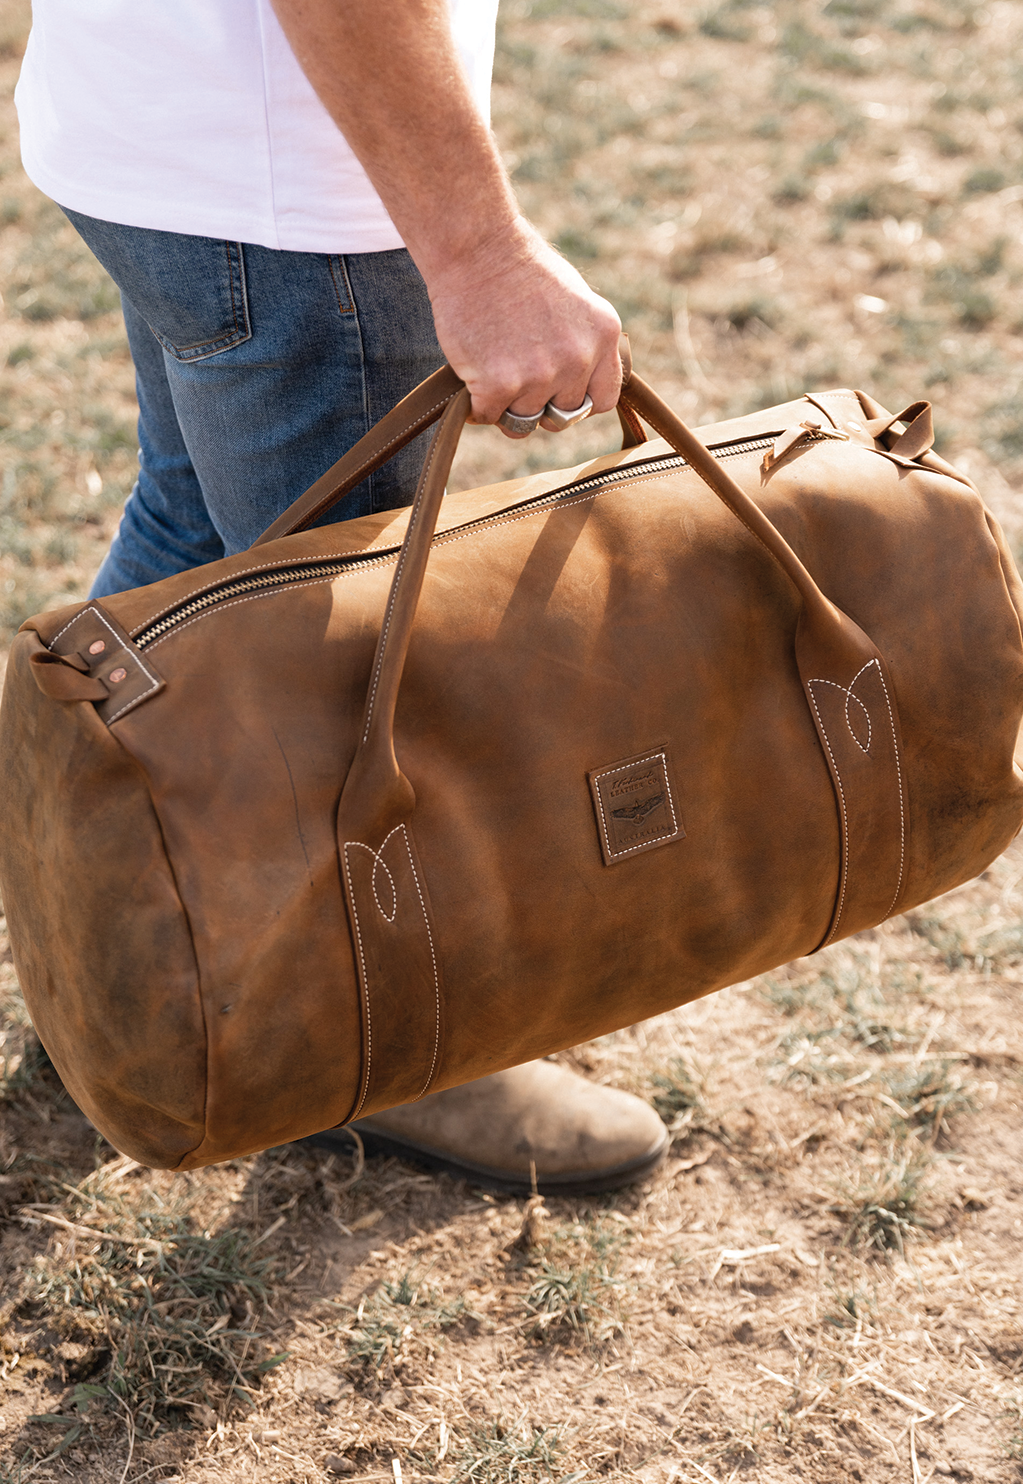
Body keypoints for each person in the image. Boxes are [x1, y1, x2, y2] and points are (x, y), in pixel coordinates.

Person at [13, 0, 668, 1194]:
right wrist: (479, 253)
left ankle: (96, 952)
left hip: (160, 133)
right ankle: (410, 1050)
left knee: (200, 538)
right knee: (344, 659)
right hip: (290, 202)